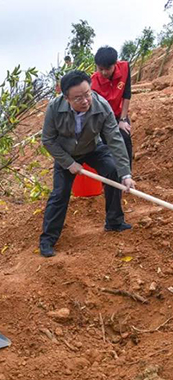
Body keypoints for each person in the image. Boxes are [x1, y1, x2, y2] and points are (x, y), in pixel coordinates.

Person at [39, 70, 136, 258]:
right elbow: (48, 140)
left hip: (93, 148)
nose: (85, 101)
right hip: (66, 154)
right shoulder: (54, 108)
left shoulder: (102, 106)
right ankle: (47, 239)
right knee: (60, 193)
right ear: (66, 98)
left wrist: (126, 174)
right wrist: (68, 163)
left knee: (113, 171)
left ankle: (114, 221)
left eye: (87, 94)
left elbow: (115, 139)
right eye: (78, 98)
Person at [91, 46, 133, 169]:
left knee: (124, 138)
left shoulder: (125, 67)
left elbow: (126, 94)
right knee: (106, 147)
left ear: (115, 64)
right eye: (100, 69)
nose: (104, 72)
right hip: (103, 119)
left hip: (119, 114)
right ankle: (110, 179)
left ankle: (127, 176)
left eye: (108, 68)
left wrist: (123, 119)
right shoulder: (93, 83)